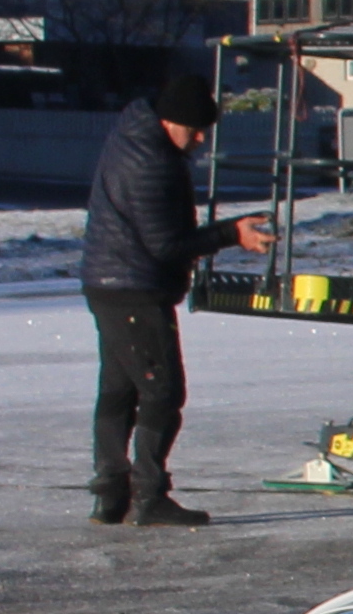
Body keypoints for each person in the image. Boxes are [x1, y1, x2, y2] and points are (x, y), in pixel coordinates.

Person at [80, 58, 268, 529]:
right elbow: (166, 245)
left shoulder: (135, 138)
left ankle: (110, 495)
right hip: (134, 290)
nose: (201, 139)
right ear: (170, 122)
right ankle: (147, 495)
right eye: (195, 130)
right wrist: (232, 235)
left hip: (110, 285)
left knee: (119, 392)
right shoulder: (152, 164)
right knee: (162, 392)